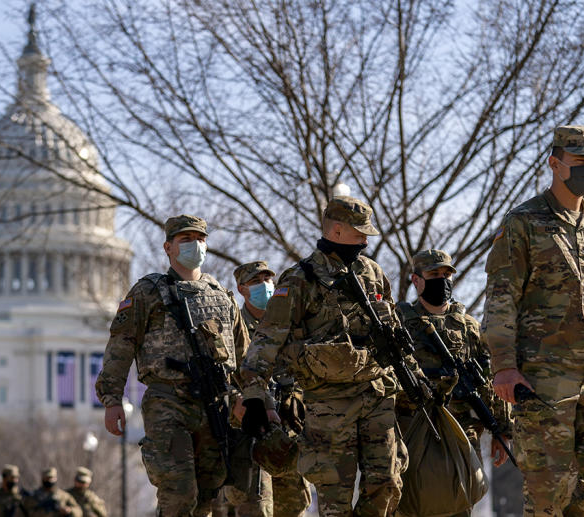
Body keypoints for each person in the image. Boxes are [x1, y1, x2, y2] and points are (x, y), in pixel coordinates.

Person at [482, 125, 584, 515]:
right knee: (549, 489)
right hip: (544, 377)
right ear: (555, 164)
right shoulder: (523, 222)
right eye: (581, 162)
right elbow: (501, 300)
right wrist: (504, 367)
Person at [239, 196, 422, 517]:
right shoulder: (299, 279)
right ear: (337, 230)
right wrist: (254, 396)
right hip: (329, 403)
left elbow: (394, 334)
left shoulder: (373, 273)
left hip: (377, 396)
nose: (366, 239)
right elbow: (268, 337)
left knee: (388, 482)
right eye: (360, 232)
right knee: (335, 498)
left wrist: (415, 379)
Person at [95, 214, 250, 517]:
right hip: (168, 401)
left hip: (215, 404)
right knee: (178, 491)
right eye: (186, 240)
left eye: (201, 239)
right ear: (168, 247)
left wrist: (249, 395)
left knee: (208, 493)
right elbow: (121, 344)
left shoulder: (221, 295)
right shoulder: (148, 291)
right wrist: (112, 399)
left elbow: (243, 354)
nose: (196, 245)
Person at [395, 249, 512, 468]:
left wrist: (502, 431)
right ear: (416, 280)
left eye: (446, 275)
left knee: (464, 497)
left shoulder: (470, 327)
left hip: (463, 431)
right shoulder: (400, 323)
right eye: (434, 275)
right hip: (414, 428)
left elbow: (491, 379)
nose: (441, 280)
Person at [232, 261, 311, 517]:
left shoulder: (288, 324)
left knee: (293, 505)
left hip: (289, 428)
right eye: (256, 281)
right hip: (254, 430)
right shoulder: (236, 327)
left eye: (268, 279)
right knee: (256, 506)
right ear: (242, 288)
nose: (265, 286)